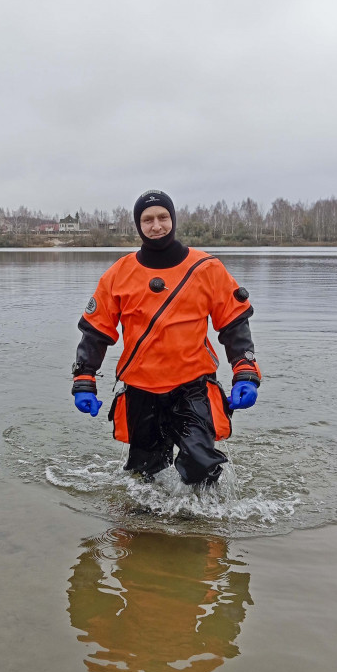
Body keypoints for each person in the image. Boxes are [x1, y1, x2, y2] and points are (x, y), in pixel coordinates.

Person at [71, 189, 261, 485]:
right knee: (145, 474)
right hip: (140, 389)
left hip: (192, 386)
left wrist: (245, 372)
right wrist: (85, 379)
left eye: (162, 217)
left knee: (201, 466)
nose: (156, 225)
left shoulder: (207, 268)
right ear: (138, 225)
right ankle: (143, 524)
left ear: (173, 219)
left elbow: (234, 323)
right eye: (147, 219)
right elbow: (96, 331)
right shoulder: (118, 274)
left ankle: (202, 524)